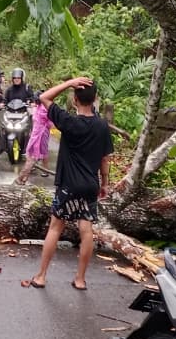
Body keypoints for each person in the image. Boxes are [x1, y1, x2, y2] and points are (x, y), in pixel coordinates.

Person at [25, 77, 112, 291]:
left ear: (74, 100)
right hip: (90, 185)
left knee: (56, 227)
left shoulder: (68, 121)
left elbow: (43, 97)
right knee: (86, 230)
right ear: (96, 99)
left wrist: (69, 82)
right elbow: (105, 159)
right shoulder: (102, 126)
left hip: (68, 185)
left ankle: (41, 276)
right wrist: (104, 184)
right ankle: (80, 279)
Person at [16, 94, 51, 185]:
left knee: (32, 157)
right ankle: (23, 177)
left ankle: (22, 177)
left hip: (39, 135)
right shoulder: (42, 108)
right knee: (33, 157)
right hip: (38, 135)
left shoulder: (40, 109)